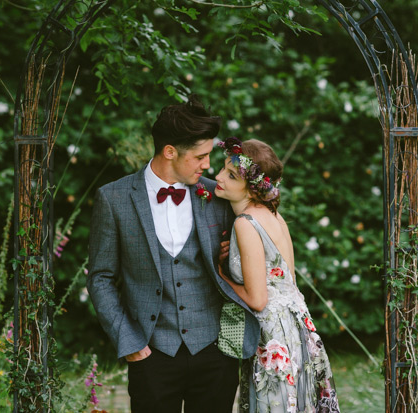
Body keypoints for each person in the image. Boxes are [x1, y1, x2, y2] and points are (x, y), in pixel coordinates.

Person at [86, 95, 260, 413]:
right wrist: (129, 341)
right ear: (169, 152)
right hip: (151, 354)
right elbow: (101, 277)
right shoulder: (114, 198)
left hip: (215, 353)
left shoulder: (217, 196)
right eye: (200, 156)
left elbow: (255, 234)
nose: (207, 165)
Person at [214, 137, 340, 413]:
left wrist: (223, 275)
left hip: (273, 339)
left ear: (253, 189)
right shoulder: (273, 215)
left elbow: (258, 300)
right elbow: (287, 280)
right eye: (223, 168)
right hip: (299, 330)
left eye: (231, 175)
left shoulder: (245, 223)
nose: (218, 176)